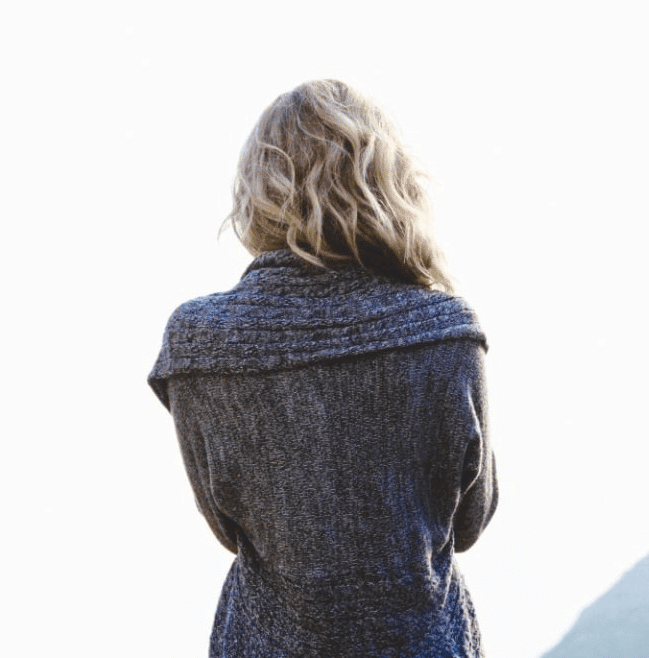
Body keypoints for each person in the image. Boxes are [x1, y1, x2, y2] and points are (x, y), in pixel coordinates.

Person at [148, 79, 497, 658]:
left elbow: (229, 529)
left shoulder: (198, 342)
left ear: (258, 190)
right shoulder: (446, 330)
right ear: (388, 183)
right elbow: (468, 523)